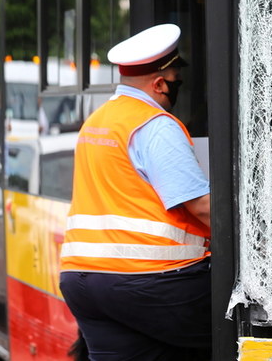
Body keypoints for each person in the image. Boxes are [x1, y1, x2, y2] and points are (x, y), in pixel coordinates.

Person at [59, 23, 211, 361]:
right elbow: (201, 206)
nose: (178, 85)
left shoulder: (98, 121)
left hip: (81, 282)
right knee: (239, 326)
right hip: (149, 282)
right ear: (159, 84)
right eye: (175, 79)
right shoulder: (155, 125)